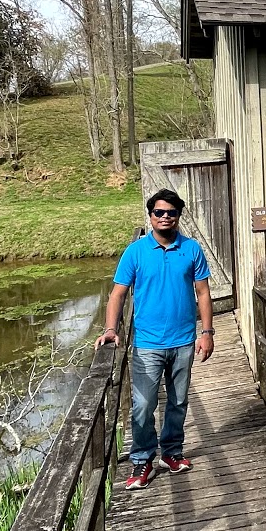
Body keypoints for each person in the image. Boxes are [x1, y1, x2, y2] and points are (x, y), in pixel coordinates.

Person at [96, 187, 214, 490]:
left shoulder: (191, 249)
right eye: (159, 212)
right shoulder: (135, 252)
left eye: (171, 212)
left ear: (178, 216)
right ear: (150, 216)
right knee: (143, 404)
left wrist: (207, 332)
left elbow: (202, 293)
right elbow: (118, 294)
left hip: (184, 340)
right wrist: (111, 329)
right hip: (148, 343)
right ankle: (143, 459)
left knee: (177, 402)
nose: (165, 217)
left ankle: (171, 453)